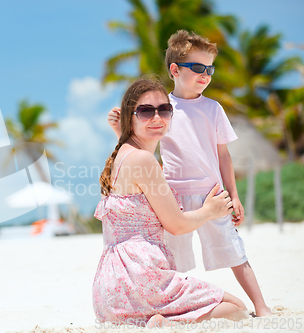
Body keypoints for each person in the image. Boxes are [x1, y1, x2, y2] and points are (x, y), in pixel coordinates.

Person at [107, 30, 271, 317]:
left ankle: (261, 306)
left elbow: (223, 156)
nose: (205, 75)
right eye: (198, 68)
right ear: (174, 70)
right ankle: (172, 310)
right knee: (174, 259)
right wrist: (121, 130)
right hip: (174, 197)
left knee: (234, 251)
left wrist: (234, 195)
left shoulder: (214, 108)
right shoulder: (164, 110)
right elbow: (143, 149)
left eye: (210, 69)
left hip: (213, 194)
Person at [93, 78, 247, 327]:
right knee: (236, 308)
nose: (157, 117)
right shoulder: (143, 160)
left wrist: (121, 131)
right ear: (129, 118)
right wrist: (210, 210)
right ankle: (168, 325)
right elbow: (176, 225)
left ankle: (163, 321)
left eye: (164, 110)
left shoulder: (123, 157)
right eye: (145, 111)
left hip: (110, 293)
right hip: (142, 278)